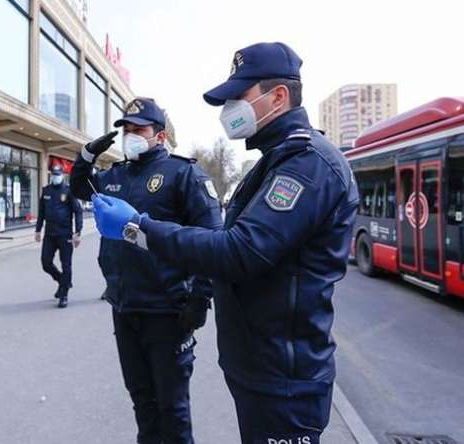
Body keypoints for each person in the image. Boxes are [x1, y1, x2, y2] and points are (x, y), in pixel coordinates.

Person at [91, 43, 359, 444]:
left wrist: (138, 228)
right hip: (258, 365)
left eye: (238, 98)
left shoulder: (307, 164)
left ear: (279, 97)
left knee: (171, 411)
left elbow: (238, 250)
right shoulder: (275, 160)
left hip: (283, 378)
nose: (228, 110)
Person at [70, 97, 222, 444]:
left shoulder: (184, 174)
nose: (130, 136)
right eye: (125, 130)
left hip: (167, 311)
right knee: (142, 400)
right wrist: (86, 156)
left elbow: (211, 239)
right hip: (125, 307)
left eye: (139, 129)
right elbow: (80, 188)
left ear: (160, 135)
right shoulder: (116, 174)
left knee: (173, 408)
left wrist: (199, 300)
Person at [35, 165, 83, 308]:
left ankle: (64, 295)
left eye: (58, 174)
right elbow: (41, 212)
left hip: (65, 234)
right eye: (53, 174)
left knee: (66, 264)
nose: (55, 176)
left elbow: (78, 212)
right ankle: (63, 281)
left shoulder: (69, 191)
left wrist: (78, 232)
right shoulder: (46, 191)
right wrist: (37, 230)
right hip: (49, 234)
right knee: (46, 262)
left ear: (62, 175)